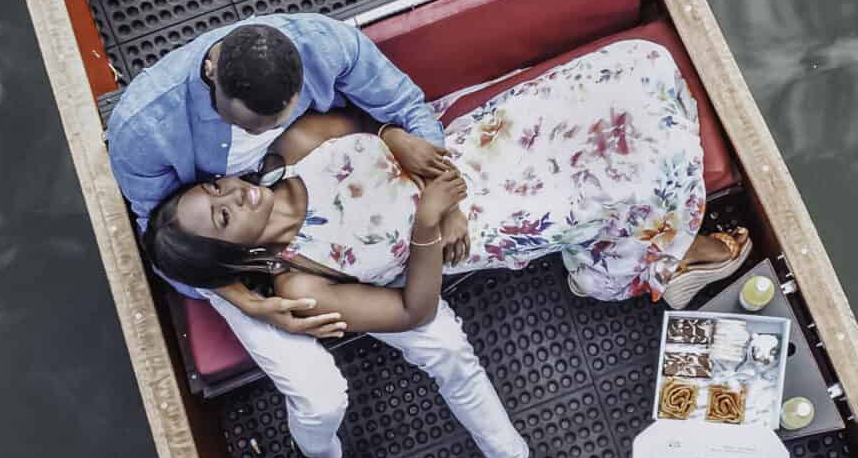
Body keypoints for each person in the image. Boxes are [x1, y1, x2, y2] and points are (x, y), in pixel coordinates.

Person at [109, 14, 611, 458]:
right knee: (321, 398)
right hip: (230, 263)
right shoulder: (146, 134)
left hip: (339, 211)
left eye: (286, 109)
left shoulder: (313, 78)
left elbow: (390, 112)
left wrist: (420, 170)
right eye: (259, 124)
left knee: (447, 348)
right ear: (212, 74)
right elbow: (174, 254)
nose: (238, 186)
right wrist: (254, 306)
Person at [145, 37, 751, 335]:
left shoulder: (293, 150)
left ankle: (651, 242)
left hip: (472, 148)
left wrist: (394, 135)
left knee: (638, 67)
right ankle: (636, 268)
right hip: (485, 219)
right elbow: (413, 310)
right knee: (640, 168)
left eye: (216, 189)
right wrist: (431, 222)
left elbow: (365, 126)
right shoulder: (303, 280)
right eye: (222, 216)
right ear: (238, 253)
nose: (233, 194)